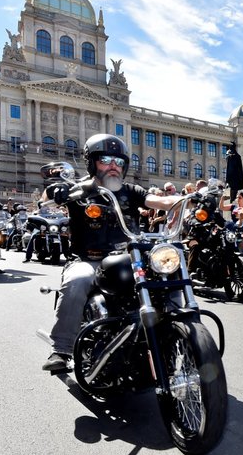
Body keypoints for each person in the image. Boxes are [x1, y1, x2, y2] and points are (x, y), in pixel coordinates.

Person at [41, 134, 182, 371]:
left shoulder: (130, 190)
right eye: (105, 159)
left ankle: (180, 334)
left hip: (130, 259)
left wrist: (187, 198)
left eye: (118, 161)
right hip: (90, 259)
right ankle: (61, 349)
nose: (113, 165)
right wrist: (55, 192)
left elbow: (161, 202)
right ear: (92, 162)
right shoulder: (79, 189)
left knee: (169, 274)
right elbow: (48, 198)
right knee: (78, 281)